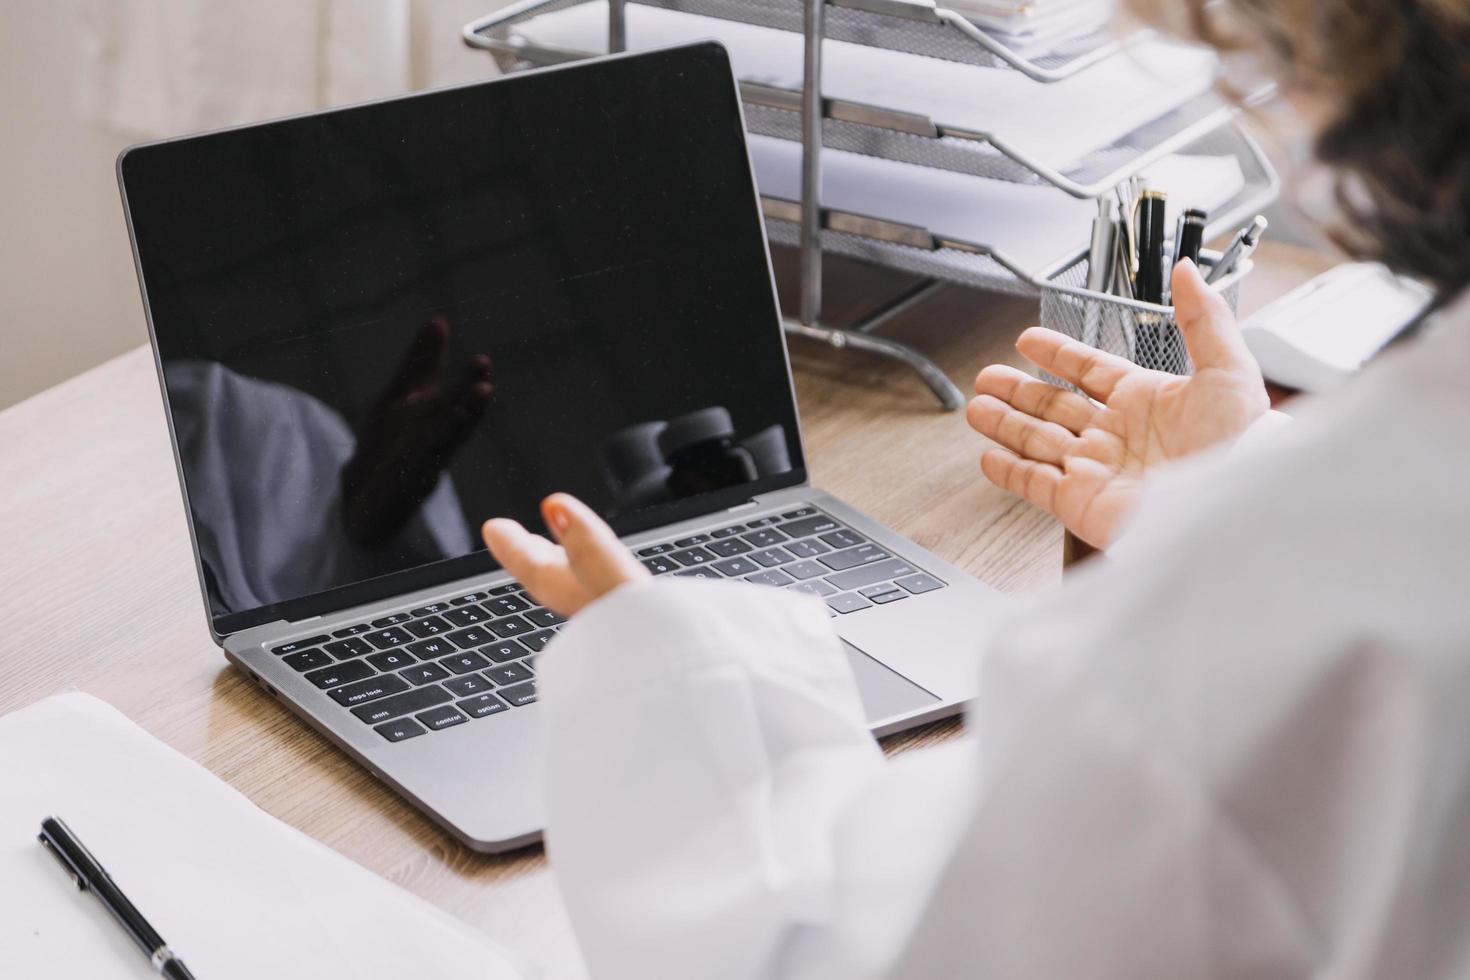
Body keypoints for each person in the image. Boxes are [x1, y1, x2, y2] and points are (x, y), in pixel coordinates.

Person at [481, 1, 1470, 976]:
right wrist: (1245, 484)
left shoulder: (1294, 611)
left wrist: (663, 664)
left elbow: (837, 950)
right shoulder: (1385, 514)